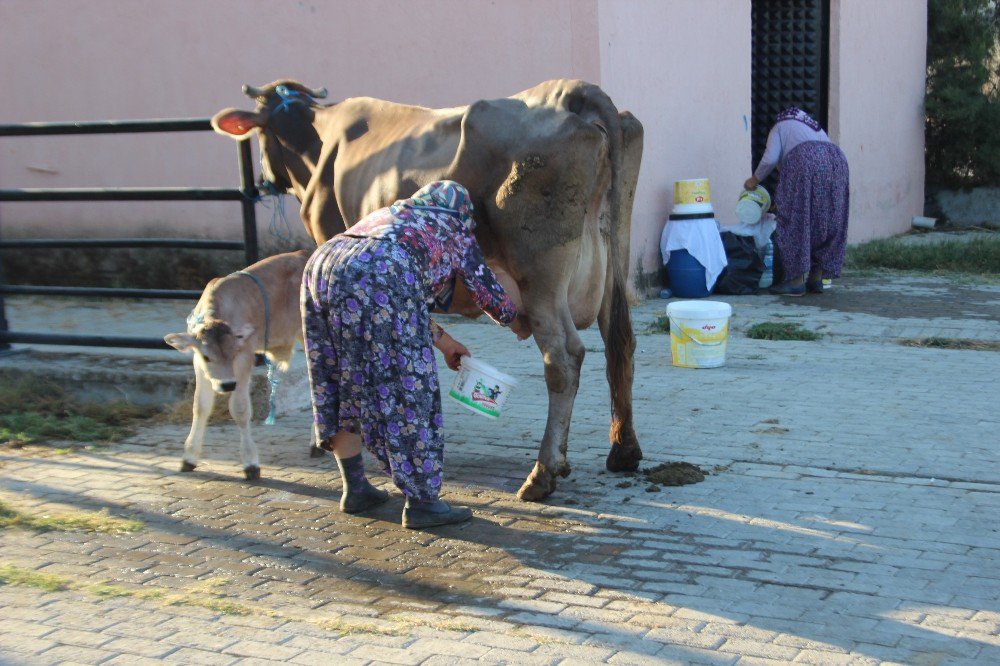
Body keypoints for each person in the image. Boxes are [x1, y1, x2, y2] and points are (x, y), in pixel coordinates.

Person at [301, 180, 531, 529]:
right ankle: (423, 502)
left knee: (337, 375)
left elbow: (392, 304)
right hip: (383, 270)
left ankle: (356, 488)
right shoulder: (454, 226)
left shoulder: (392, 216)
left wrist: (446, 343)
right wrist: (520, 322)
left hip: (322, 264)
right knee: (408, 388)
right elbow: (490, 296)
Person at [744, 107, 850, 296]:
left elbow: (770, 159)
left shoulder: (779, 127)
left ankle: (796, 282)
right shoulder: (814, 128)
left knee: (797, 220)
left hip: (805, 161)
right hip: (837, 162)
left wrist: (754, 180)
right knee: (826, 219)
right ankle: (816, 279)